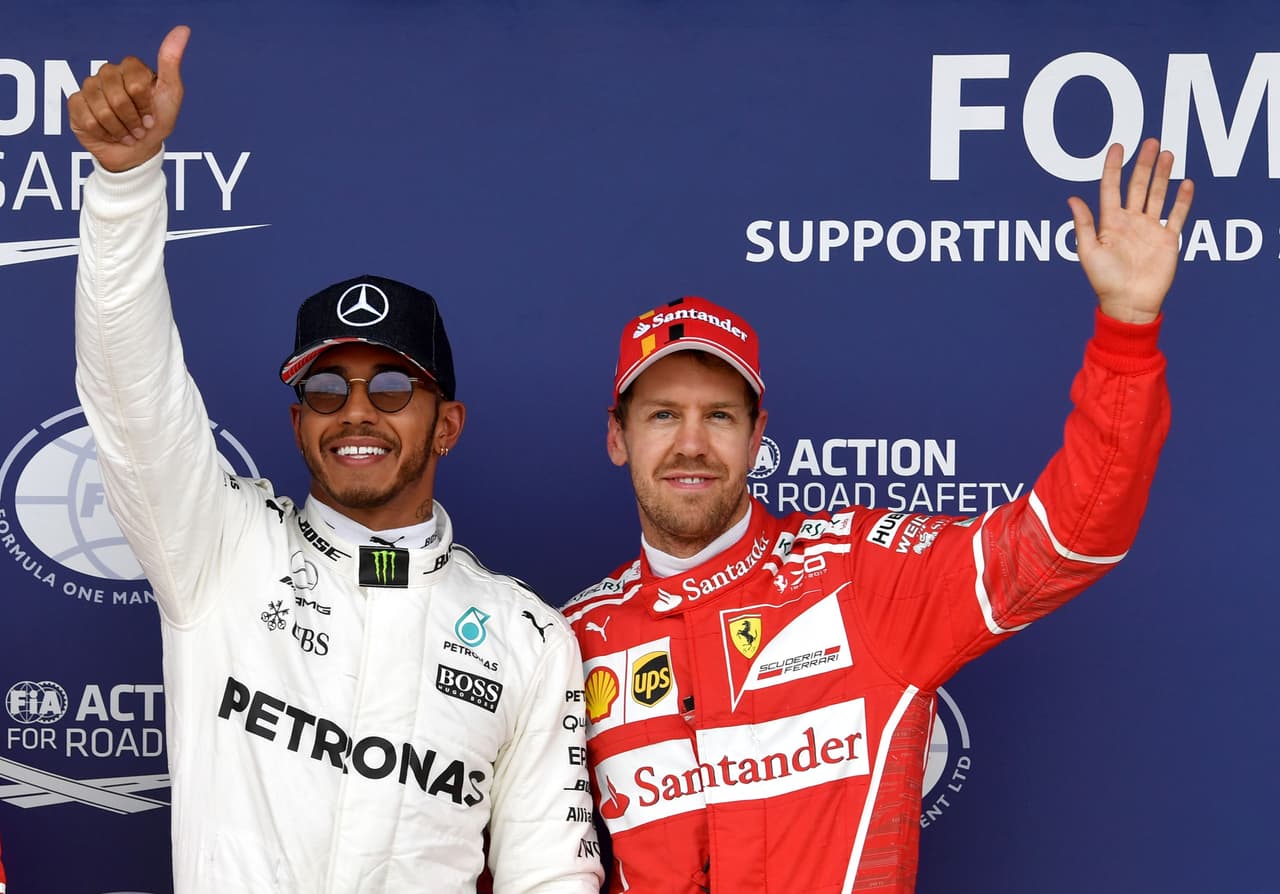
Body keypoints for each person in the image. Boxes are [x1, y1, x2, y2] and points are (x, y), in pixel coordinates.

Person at [563, 139, 1193, 892]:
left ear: (759, 437)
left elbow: (1069, 537)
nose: (692, 445)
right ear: (616, 436)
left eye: (721, 417)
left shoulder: (860, 572)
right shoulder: (573, 640)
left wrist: (1125, 329)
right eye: (663, 415)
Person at [69, 26, 601, 894]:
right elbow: (133, 391)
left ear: (448, 424)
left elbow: (552, 877)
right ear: (296, 421)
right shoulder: (220, 549)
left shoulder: (526, 637)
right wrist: (124, 188)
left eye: (394, 385)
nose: (357, 411)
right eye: (327, 389)